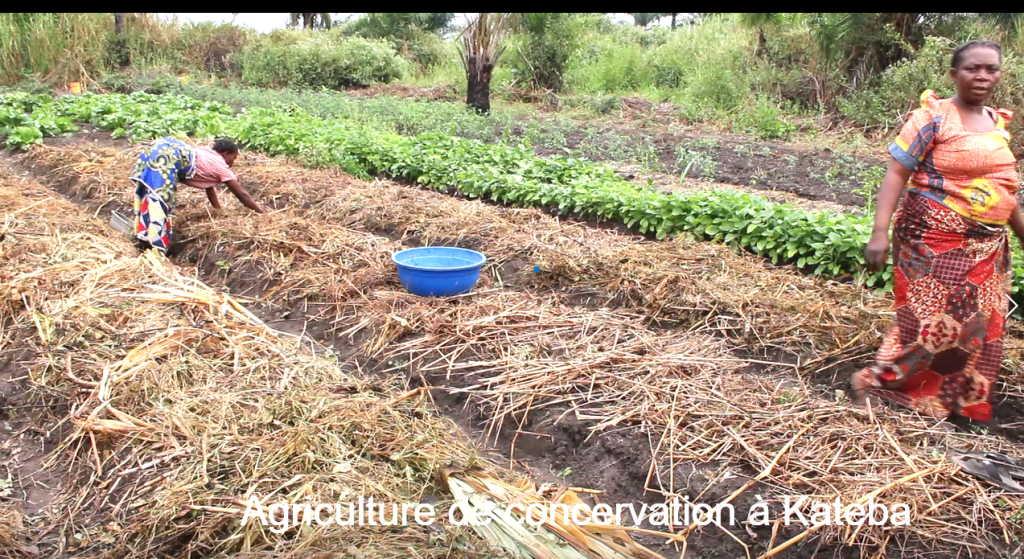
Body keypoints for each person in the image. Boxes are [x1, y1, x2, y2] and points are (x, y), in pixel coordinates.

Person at [851, 39, 1024, 424]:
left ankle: (948, 399)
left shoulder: (997, 124)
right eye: (972, 68)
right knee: (930, 324)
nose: (982, 76)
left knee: (978, 325)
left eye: (990, 69)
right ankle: (876, 380)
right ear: (954, 74)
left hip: (986, 246)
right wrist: (879, 231)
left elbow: (1007, 191)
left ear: (999, 74)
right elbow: (896, 173)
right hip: (932, 239)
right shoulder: (933, 117)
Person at [131, 137, 265, 255]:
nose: (233, 162)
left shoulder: (207, 153)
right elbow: (242, 194)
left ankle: (143, 237)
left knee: (149, 193)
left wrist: (218, 211)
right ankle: (157, 247)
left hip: (157, 148)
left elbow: (209, 188)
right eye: (234, 158)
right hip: (167, 156)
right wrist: (261, 213)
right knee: (161, 200)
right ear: (225, 154)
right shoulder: (221, 167)